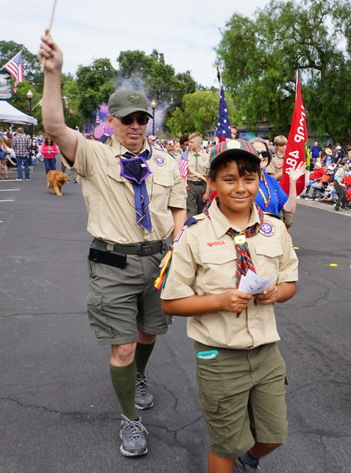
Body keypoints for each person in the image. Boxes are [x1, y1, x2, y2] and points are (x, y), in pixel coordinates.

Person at [39, 33, 187, 458]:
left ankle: (140, 376)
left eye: (141, 118)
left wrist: (176, 242)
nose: (135, 126)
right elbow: (53, 126)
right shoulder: (93, 155)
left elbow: (177, 205)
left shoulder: (164, 161)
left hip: (158, 261)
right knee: (121, 344)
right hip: (113, 263)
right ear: (113, 120)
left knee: (148, 332)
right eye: (127, 120)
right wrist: (53, 74)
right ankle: (131, 421)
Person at [160, 139, 298, 473]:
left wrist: (275, 294)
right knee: (225, 444)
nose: (240, 188)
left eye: (249, 179)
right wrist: (220, 301)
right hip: (218, 356)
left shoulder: (274, 229)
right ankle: (235, 458)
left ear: (259, 181)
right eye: (229, 179)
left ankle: (248, 461)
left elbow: (290, 283)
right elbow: (170, 303)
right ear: (212, 183)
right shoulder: (193, 235)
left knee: (275, 435)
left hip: (266, 352)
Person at [249, 137, 305, 222]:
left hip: (273, 232)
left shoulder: (272, 181)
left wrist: (292, 181)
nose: (261, 157)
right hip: (253, 232)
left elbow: (290, 208)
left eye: (264, 153)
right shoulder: (243, 182)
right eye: (256, 153)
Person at [185, 132, 211, 218]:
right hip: (190, 185)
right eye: (189, 142)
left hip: (202, 186)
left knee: (202, 213)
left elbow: (208, 177)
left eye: (192, 142)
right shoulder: (186, 156)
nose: (189, 144)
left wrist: (207, 193)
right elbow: (182, 173)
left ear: (198, 143)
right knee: (191, 212)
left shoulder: (207, 157)